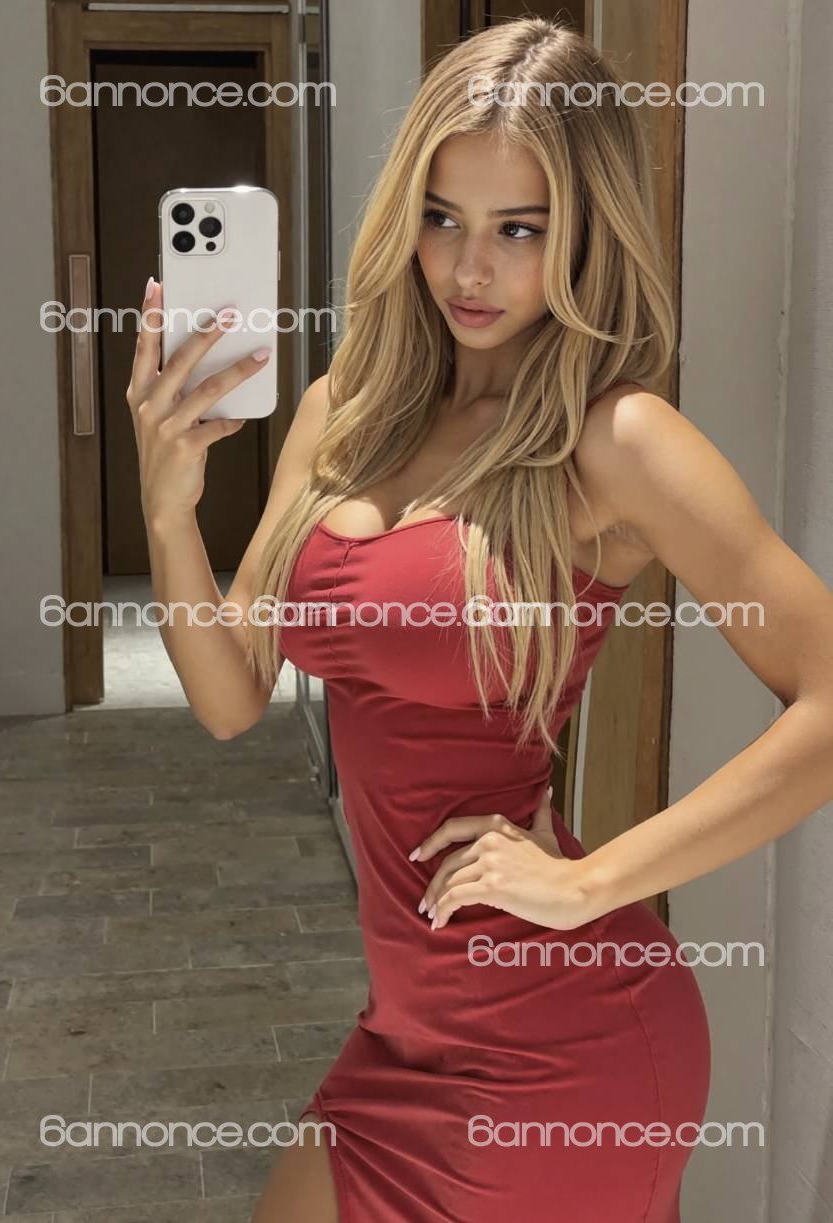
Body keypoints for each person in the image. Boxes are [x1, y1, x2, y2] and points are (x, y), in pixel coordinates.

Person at [126, 16, 833, 1223]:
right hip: (406, 1028)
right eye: (443, 217)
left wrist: (593, 879)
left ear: (585, 234)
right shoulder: (346, 411)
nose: (468, 269)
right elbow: (232, 695)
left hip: (563, 1043)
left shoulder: (615, 441)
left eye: (520, 229)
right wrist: (168, 507)